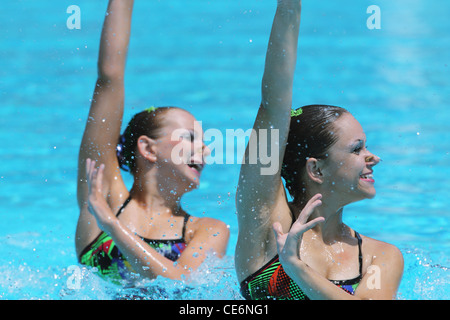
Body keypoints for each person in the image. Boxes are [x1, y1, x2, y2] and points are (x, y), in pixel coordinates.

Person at [235, 0, 403, 300]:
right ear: (316, 169)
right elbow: (273, 107)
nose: (373, 157)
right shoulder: (266, 226)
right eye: (357, 149)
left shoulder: (381, 257)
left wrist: (296, 267)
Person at [75, 0, 229, 285]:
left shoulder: (209, 230)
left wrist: (111, 225)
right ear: (148, 148)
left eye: (204, 141)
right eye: (190, 138)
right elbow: (109, 78)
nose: (205, 150)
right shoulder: (104, 194)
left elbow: (181, 282)